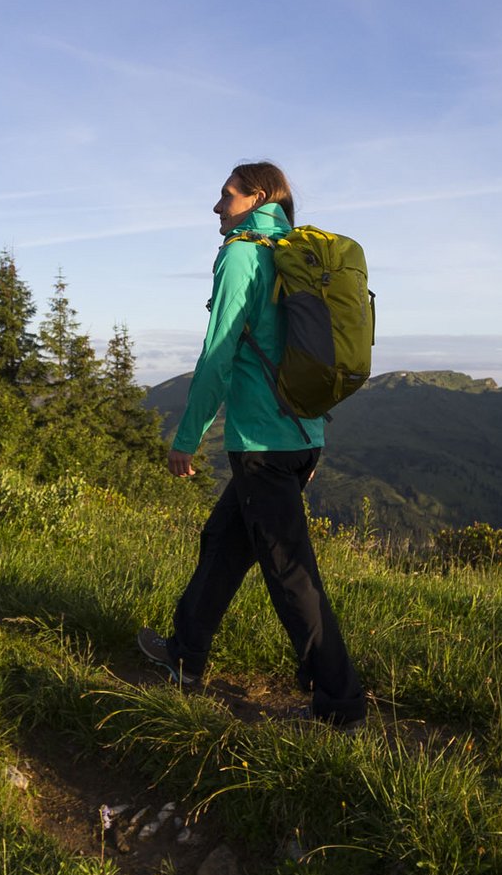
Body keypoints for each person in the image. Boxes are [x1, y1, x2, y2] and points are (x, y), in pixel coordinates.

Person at [138, 161, 368, 727]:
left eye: (226, 196)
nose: (217, 208)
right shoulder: (299, 253)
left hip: (262, 442)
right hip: (301, 433)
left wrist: (187, 437)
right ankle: (185, 655)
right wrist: (311, 441)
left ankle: (339, 704)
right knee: (223, 540)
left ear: (257, 197)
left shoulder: (243, 254)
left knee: (290, 572)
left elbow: (218, 354)